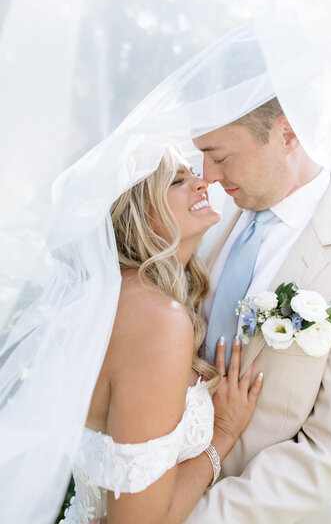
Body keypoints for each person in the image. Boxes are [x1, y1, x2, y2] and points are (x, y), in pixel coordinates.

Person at [180, 97, 331, 523]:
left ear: (287, 133)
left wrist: (185, 516)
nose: (207, 175)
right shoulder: (203, 214)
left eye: (219, 156)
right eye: (201, 155)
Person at [61, 145, 263, 524]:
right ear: (138, 212)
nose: (203, 184)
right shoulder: (158, 319)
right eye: (178, 181)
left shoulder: (119, 298)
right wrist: (221, 435)